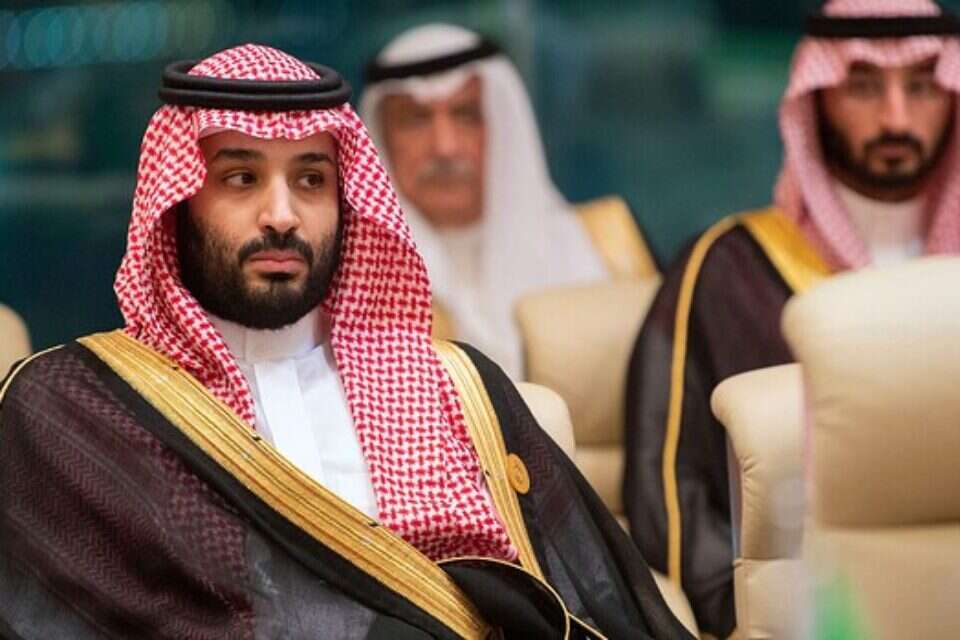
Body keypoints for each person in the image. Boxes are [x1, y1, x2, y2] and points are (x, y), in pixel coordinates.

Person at [0, 44, 692, 640]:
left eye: (311, 179)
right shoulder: (71, 409)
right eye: (241, 178)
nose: (281, 215)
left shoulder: (457, 391)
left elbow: (593, 602)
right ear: (177, 202)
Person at [622, 1, 960, 636]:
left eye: (921, 87)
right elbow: (671, 503)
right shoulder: (727, 272)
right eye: (863, 87)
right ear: (816, 96)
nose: (896, 117)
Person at [360, 24, 656, 379]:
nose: (445, 147)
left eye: (466, 115)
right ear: (382, 137)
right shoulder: (358, 283)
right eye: (416, 120)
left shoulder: (609, 245)